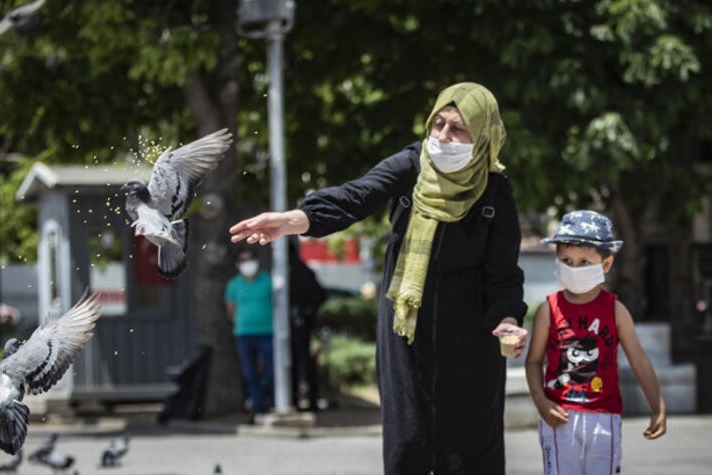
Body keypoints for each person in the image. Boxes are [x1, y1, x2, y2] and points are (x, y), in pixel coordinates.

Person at [230, 82, 529, 474]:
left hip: (471, 341)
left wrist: (507, 319)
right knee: (408, 447)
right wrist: (290, 221)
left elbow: (503, 273)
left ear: (483, 134)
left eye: (457, 129)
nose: (442, 137)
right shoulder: (411, 165)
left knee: (471, 449)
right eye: (437, 124)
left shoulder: (495, 192)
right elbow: (356, 197)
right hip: (406, 336)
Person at [525, 210, 666, 475]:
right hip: (559, 419)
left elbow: (639, 360)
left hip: (605, 419)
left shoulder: (616, 310)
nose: (574, 268)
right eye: (566, 260)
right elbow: (533, 362)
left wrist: (658, 406)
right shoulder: (549, 309)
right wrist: (541, 402)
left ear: (606, 264)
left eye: (584, 262)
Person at [225, 248, 275, 419]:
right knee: (249, 373)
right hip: (244, 333)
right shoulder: (234, 284)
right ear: (237, 265)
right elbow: (230, 310)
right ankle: (258, 408)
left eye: (250, 259)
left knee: (271, 371)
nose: (248, 264)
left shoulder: (268, 281)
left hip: (267, 332)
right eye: (243, 261)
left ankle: (259, 397)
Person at [288, 239, 328, 411]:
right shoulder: (279, 272)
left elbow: (320, 295)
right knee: (290, 363)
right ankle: (292, 400)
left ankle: (311, 400)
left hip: (302, 325)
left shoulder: (303, 273)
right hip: (286, 326)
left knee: (305, 362)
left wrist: (308, 312)